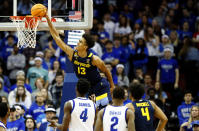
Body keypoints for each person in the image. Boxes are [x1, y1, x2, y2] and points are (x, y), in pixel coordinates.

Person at [45, 14, 114, 108]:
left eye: (80, 42)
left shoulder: (94, 59)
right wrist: (48, 19)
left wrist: (112, 85)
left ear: (85, 47)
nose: (78, 42)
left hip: (100, 85)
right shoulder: (73, 54)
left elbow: (106, 71)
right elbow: (57, 38)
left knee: (103, 111)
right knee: (93, 112)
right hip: (88, 87)